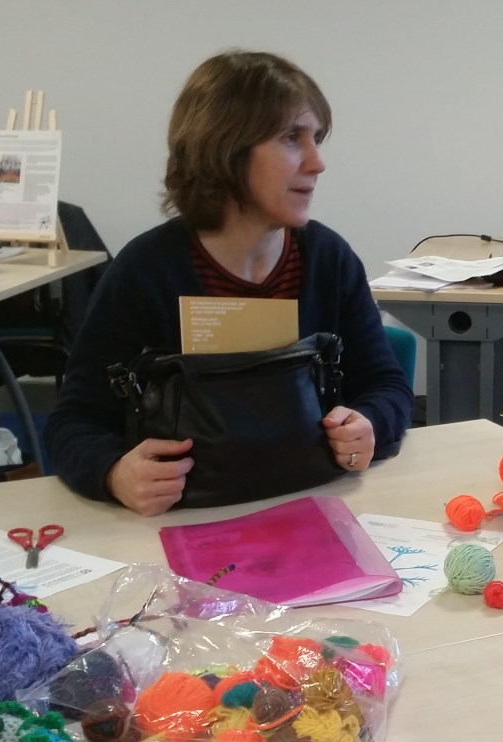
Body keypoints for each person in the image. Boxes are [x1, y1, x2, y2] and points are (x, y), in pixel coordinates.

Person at [46, 50, 413, 516]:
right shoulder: (146, 270)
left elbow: (386, 385)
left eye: (317, 138)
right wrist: (113, 472)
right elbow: (72, 422)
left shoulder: (328, 259)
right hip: (184, 525)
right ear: (225, 150)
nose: (318, 162)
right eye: (291, 138)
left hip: (313, 507)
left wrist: (371, 423)